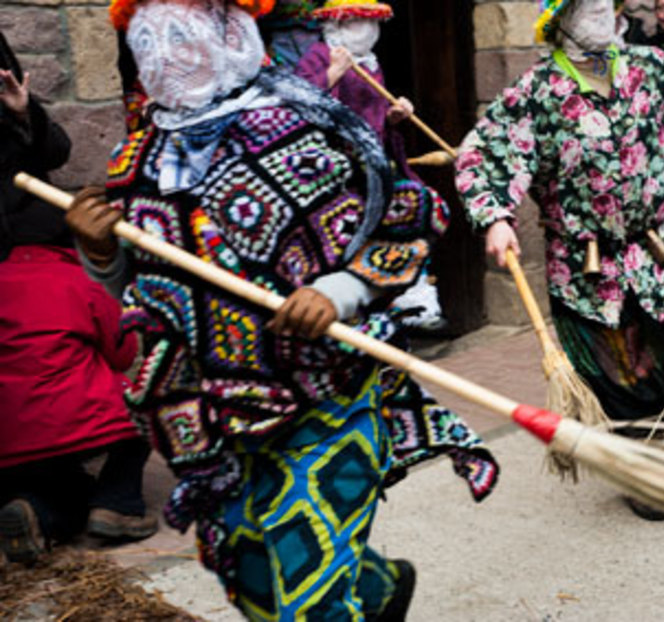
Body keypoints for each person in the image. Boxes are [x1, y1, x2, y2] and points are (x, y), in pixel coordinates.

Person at [69, 0, 497, 618]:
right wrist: (100, 252)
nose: (168, 56)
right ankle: (377, 589)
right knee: (254, 580)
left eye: (183, 36)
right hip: (217, 416)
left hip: (327, 399)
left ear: (233, 33)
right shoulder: (136, 162)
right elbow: (143, 294)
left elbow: (410, 215)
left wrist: (339, 291)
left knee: (309, 599)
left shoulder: (312, 126)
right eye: (150, 40)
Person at [458, 0, 664, 519]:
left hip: (662, 245)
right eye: (587, 3)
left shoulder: (650, 66)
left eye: (608, 2)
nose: (602, 8)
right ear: (561, 20)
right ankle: (643, 459)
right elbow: (483, 155)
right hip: (587, 264)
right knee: (624, 372)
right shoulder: (536, 90)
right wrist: (495, 216)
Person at [0, 30, 155, 566]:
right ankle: (119, 500)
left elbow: (54, 147)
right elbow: (125, 350)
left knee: (50, 476)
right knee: (146, 386)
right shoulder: (66, 278)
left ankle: (38, 509)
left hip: (12, 437)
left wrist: (23, 113)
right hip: (82, 420)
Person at [294, 0, 447, 332]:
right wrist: (333, 72)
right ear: (336, 24)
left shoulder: (371, 63)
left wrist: (393, 119)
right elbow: (298, 107)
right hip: (334, 170)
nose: (367, 31)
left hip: (375, 164)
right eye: (357, 23)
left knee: (418, 208)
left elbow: (375, 119)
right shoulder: (320, 56)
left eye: (372, 23)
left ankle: (407, 293)